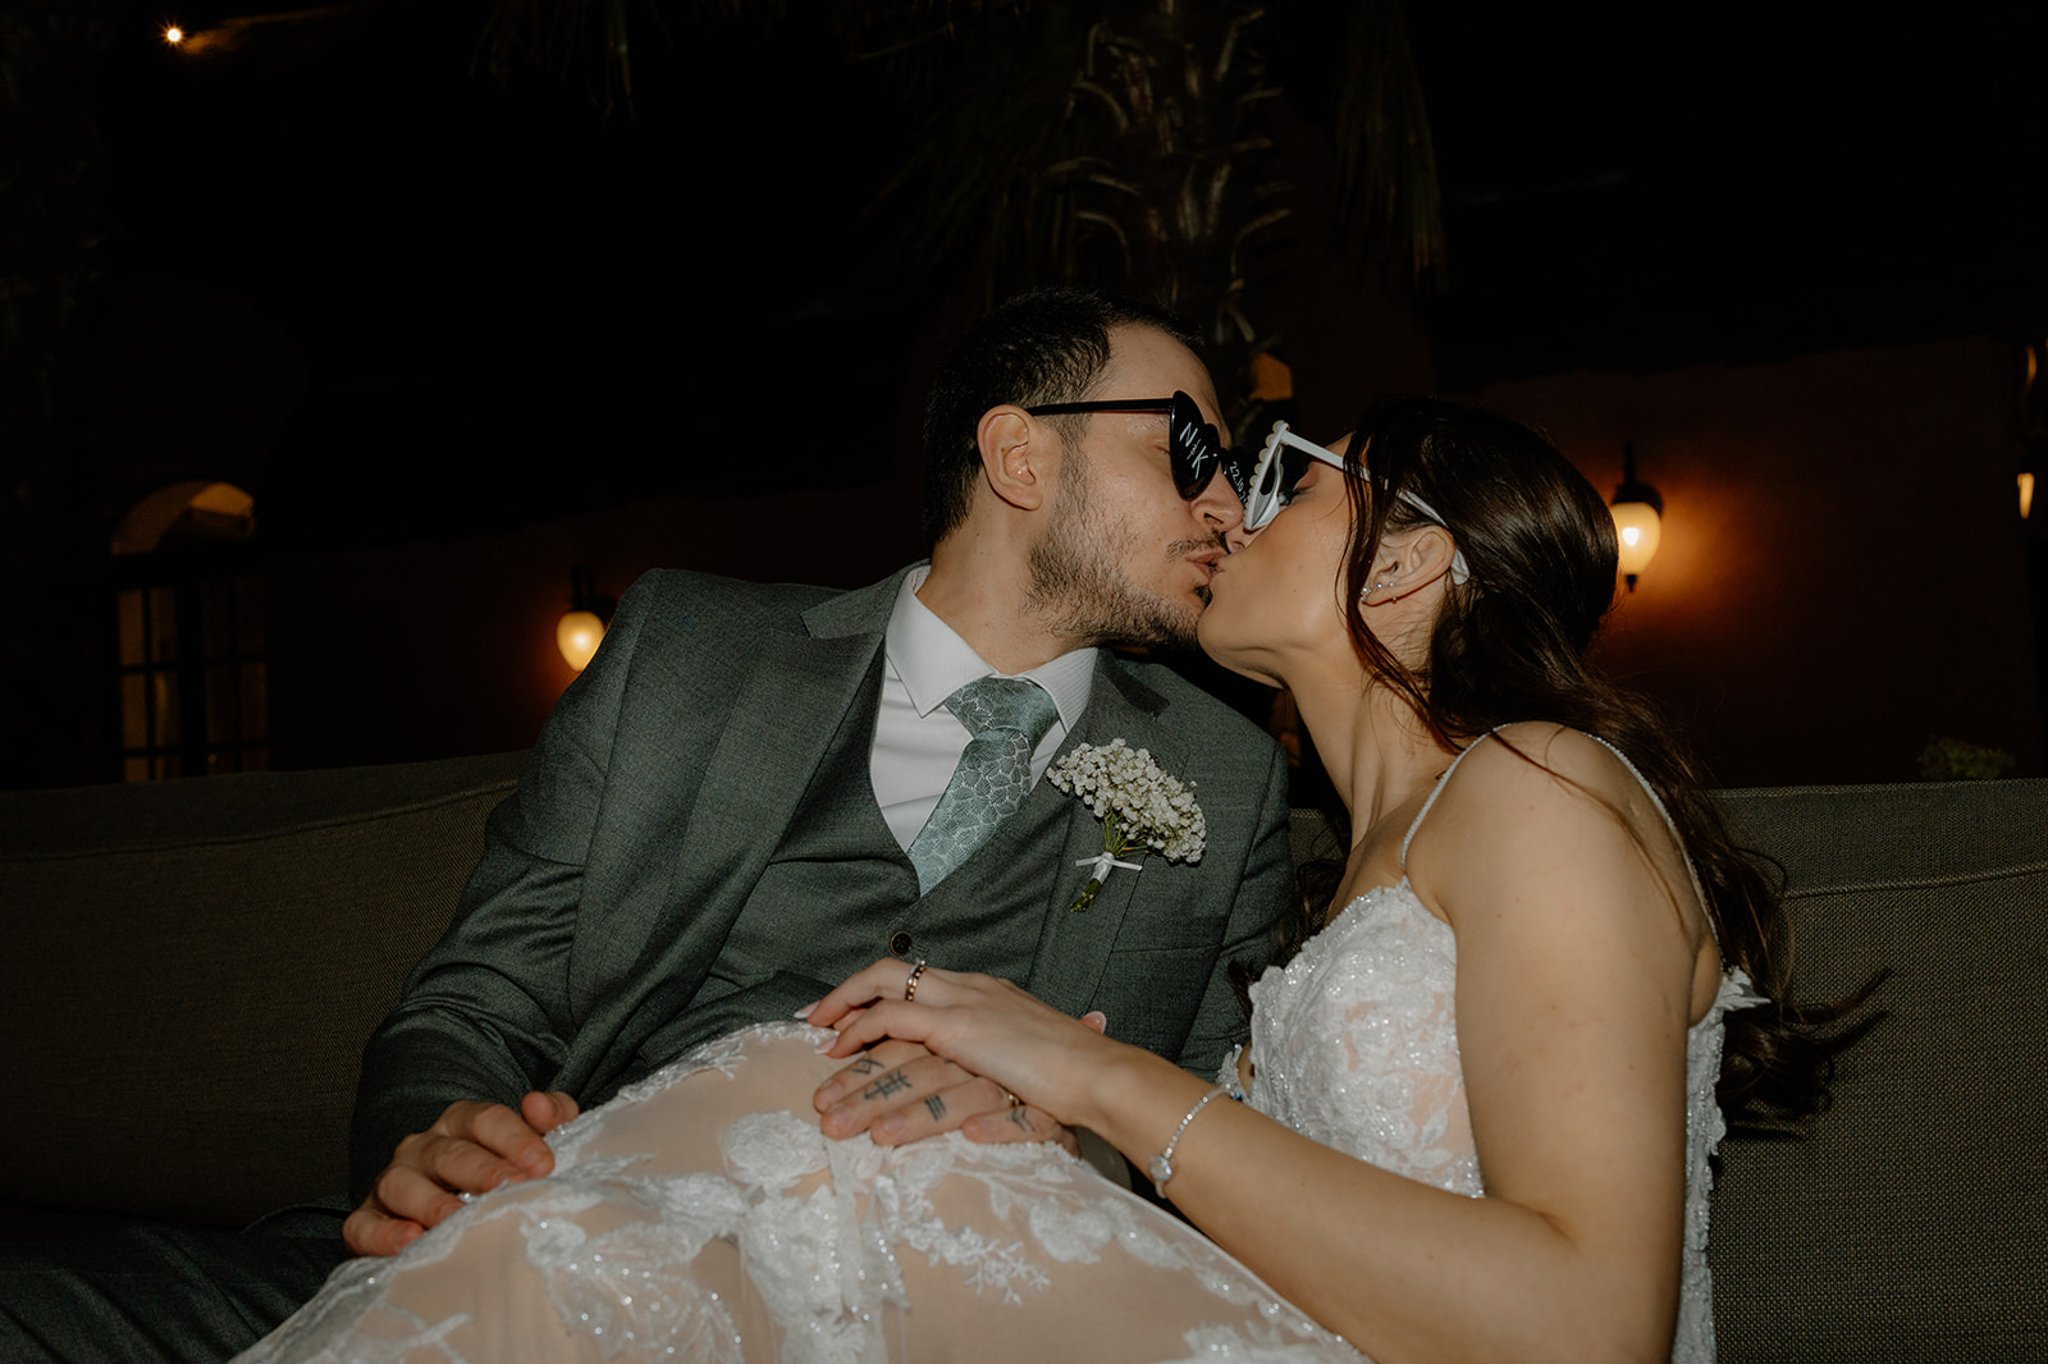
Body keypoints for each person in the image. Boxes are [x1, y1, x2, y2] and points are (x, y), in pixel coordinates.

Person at [231, 397, 1828, 1363]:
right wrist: (1036, 1125)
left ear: (1406, 560)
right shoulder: (1351, 873)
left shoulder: (1542, 787)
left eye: (1284, 476)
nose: (1227, 504)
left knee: (784, 1101)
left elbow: (1586, 1331)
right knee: (816, 1104)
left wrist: (1095, 1074)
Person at [0, 287, 1296, 1362]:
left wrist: (1069, 1135)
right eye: (1189, 447)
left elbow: (1224, 1142)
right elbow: (480, 998)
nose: (1228, 504)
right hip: (569, 1220)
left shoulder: (1225, 779)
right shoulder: (687, 652)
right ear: (1019, 455)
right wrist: (439, 1139)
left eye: (1236, 469)